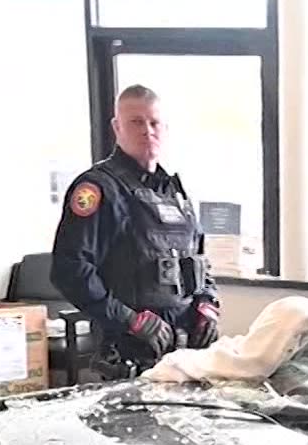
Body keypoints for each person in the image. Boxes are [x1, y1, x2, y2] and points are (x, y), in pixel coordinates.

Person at [52, 84, 219, 377]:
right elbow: (70, 270)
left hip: (184, 354)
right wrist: (130, 320)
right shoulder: (99, 189)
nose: (147, 130)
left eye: (154, 122)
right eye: (136, 122)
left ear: (165, 128)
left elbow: (201, 263)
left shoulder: (176, 193)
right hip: (130, 351)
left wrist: (207, 305)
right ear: (117, 127)